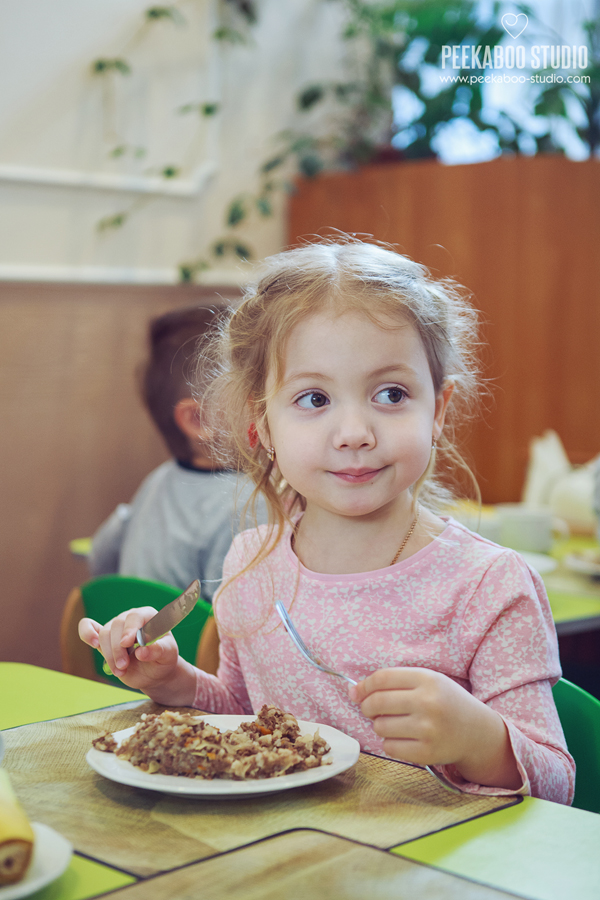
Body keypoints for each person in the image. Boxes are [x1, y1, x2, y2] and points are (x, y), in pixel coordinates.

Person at [79, 240, 575, 803]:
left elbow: (559, 786)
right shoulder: (251, 561)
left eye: (391, 394)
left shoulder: (490, 585)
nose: (354, 432)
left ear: (436, 410)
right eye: (314, 399)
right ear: (261, 426)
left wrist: (477, 737)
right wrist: (177, 683)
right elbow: (246, 721)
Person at [88, 304, 263, 601]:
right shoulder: (248, 504)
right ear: (200, 419)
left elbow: (100, 557)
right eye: (256, 391)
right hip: (186, 648)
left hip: (133, 642)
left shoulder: (159, 480)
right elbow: (243, 623)